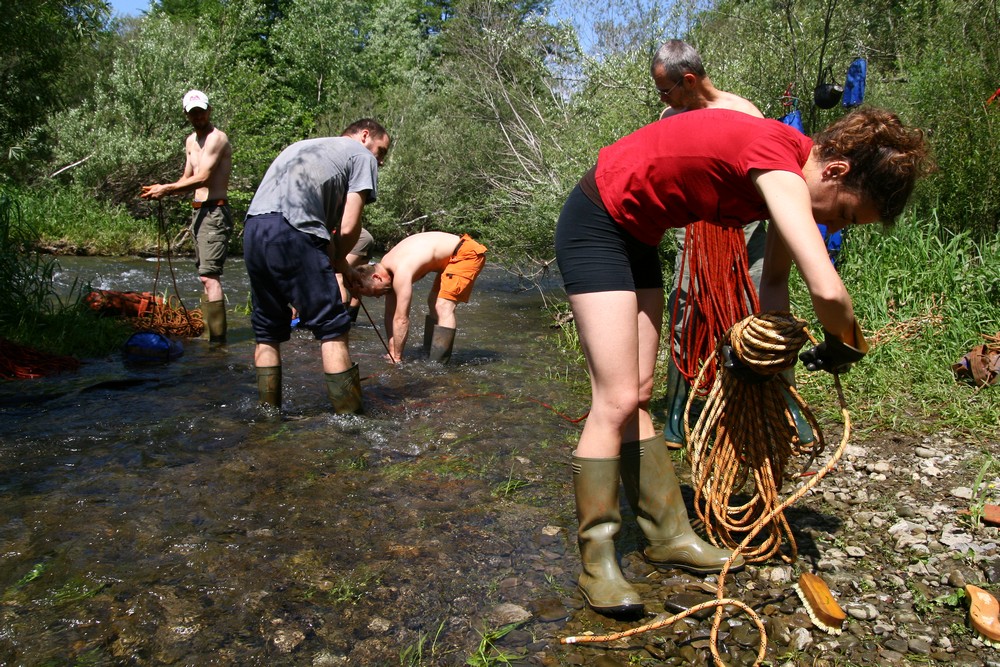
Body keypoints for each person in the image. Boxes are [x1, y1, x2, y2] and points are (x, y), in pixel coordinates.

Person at [555, 107, 928, 615]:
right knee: (615, 398)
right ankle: (596, 563)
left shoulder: (790, 174)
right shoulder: (779, 165)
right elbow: (828, 290)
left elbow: (774, 284)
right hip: (596, 223)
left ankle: (667, 535)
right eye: (843, 214)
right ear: (836, 172)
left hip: (637, 237)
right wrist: (847, 341)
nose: (833, 224)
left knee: (638, 394)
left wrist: (773, 365)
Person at [243, 119, 391, 414]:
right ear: (364, 136)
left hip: (254, 231)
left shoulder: (305, 147)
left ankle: (268, 416)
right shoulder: (361, 155)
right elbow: (349, 226)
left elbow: (328, 233)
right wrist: (339, 263)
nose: (381, 161)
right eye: (381, 151)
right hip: (294, 232)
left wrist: (343, 269)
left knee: (268, 330)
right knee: (333, 328)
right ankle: (349, 421)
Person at [140, 89, 233, 343]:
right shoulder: (190, 141)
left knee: (208, 275)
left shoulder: (217, 139)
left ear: (209, 110)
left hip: (215, 211)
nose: (198, 116)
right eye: (193, 113)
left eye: (202, 111)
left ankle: (217, 342)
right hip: (199, 211)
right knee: (204, 276)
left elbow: (203, 177)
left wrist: (166, 188)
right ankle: (209, 335)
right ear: (187, 115)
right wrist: (161, 191)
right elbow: (187, 178)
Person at [353, 231, 487, 364]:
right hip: (451, 257)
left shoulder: (401, 271)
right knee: (433, 302)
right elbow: (390, 315)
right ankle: (430, 352)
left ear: (376, 277)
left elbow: (401, 320)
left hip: (466, 253)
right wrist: (392, 351)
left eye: (373, 292)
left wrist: (397, 358)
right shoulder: (386, 267)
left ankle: (439, 364)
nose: (377, 297)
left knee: (443, 306)